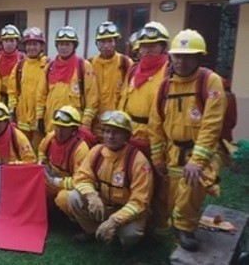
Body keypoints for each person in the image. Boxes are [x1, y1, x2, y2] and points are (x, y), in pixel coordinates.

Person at [148, 29, 227, 251]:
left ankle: (185, 230)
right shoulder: (165, 85)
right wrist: (157, 156)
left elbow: (212, 124)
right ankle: (165, 230)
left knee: (193, 184)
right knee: (171, 196)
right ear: (171, 56)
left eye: (188, 56)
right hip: (173, 150)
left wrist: (198, 160)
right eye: (178, 55)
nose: (181, 61)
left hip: (202, 151)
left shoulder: (210, 82)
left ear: (199, 57)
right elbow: (155, 123)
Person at [68, 110, 153, 250]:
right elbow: (82, 177)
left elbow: (140, 201)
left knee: (130, 235)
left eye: (116, 132)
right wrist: (92, 196)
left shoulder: (138, 161)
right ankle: (93, 232)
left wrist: (115, 221)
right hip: (102, 205)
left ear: (127, 135)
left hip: (126, 212)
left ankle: (115, 238)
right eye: (107, 131)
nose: (110, 136)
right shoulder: (96, 151)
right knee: (73, 197)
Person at [117, 21, 170, 239]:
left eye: (153, 45)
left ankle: (158, 228)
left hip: (155, 137)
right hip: (131, 135)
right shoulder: (133, 69)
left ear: (163, 47)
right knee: (132, 180)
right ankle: (134, 219)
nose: (147, 50)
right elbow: (123, 100)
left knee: (158, 186)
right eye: (144, 46)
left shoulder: (170, 69)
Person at [36, 25, 99, 134]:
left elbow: (92, 98)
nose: (63, 47)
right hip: (52, 123)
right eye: (61, 44)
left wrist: (85, 123)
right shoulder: (49, 67)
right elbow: (41, 94)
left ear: (74, 46)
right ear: (56, 46)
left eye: (67, 44)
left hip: (74, 125)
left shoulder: (83, 66)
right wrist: (40, 117)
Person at [39, 105, 97, 214]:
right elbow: (41, 151)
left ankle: (70, 222)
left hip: (68, 186)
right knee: (35, 185)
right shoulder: (50, 138)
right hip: (52, 178)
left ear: (74, 129)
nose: (59, 131)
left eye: (64, 128)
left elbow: (80, 180)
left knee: (63, 199)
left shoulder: (81, 149)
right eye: (57, 126)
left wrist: (57, 182)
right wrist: (43, 163)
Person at [8, 27, 49, 150]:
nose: (32, 48)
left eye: (35, 44)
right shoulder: (20, 66)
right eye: (29, 44)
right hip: (22, 117)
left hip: (40, 119)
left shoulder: (48, 65)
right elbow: (12, 91)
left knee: (39, 150)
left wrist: (41, 117)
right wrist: (12, 112)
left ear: (41, 46)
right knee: (22, 149)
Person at [89, 21, 132, 139]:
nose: (106, 45)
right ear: (97, 43)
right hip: (95, 124)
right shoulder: (90, 63)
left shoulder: (125, 63)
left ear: (115, 42)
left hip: (117, 125)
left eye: (110, 41)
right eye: (102, 41)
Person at [0, 24, 25, 105]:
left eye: (12, 41)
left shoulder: (23, 59)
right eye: (6, 41)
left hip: (17, 99)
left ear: (17, 42)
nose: (9, 44)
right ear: (2, 42)